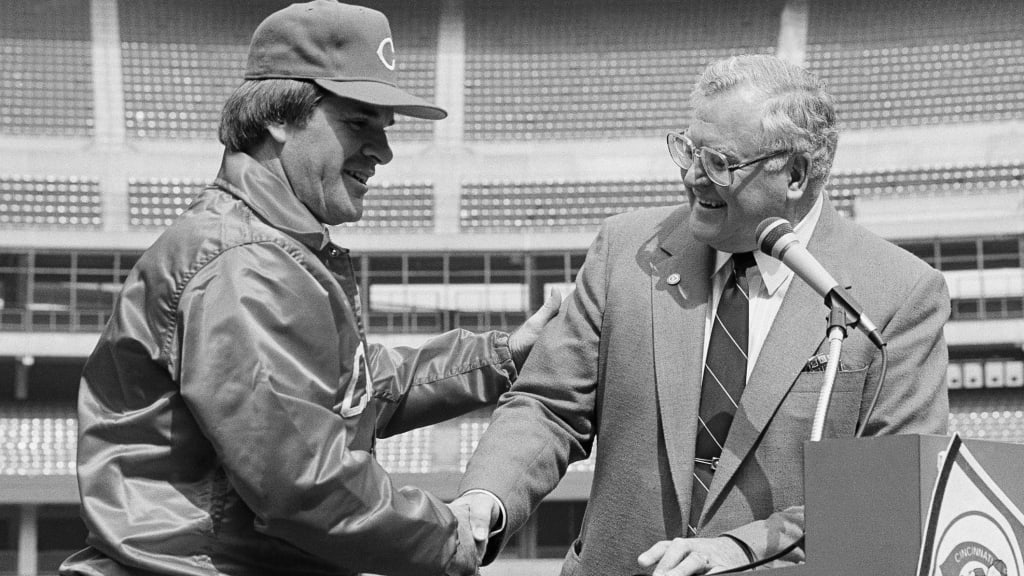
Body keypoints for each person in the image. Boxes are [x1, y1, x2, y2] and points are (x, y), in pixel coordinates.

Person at [59, 2, 561, 576]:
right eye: (358, 123)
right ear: (279, 117)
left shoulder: (270, 245)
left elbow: (352, 389)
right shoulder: (246, 265)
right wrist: (448, 539)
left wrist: (501, 356)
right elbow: (303, 484)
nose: (383, 151)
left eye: (384, 128)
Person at [451, 54, 950, 576]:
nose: (692, 176)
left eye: (719, 162)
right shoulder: (626, 250)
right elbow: (549, 406)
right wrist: (487, 497)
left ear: (796, 175)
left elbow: (893, 487)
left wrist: (741, 548)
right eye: (688, 150)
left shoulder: (899, 294)